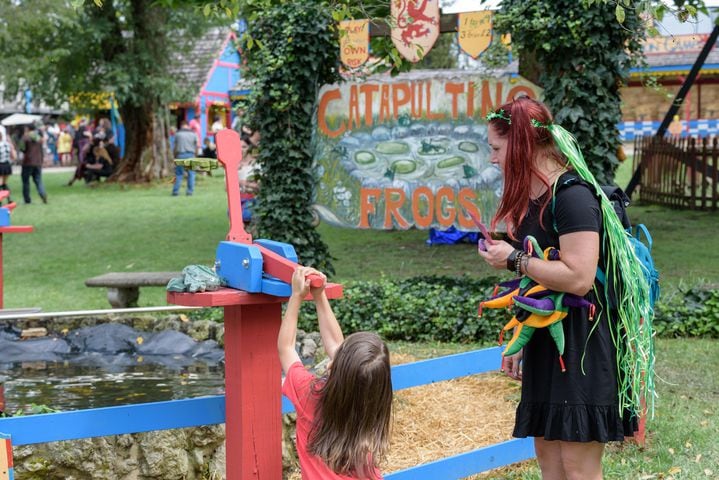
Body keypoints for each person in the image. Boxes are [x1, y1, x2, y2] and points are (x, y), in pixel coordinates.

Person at [478, 97, 652, 480]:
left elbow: (579, 276)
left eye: (496, 148)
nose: (491, 159)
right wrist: (521, 337)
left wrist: (513, 259)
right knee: (548, 457)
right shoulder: (536, 197)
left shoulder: (572, 196)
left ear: (521, 142)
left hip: (582, 345)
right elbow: (539, 281)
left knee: (577, 467)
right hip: (548, 341)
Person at [279, 267, 392, 480]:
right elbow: (341, 352)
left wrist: (296, 297)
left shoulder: (310, 395)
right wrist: (319, 295)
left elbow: (286, 348)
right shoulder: (372, 405)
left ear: (334, 366)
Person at [20, 124, 48, 204]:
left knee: (25, 181)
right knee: (38, 180)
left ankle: (27, 200)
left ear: (27, 128)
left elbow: (22, 148)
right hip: (38, 162)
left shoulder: (25, 137)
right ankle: (43, 194)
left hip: (27, 162)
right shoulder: (39, 138)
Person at [172, 120, 198, 196]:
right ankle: (189, 191)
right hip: (191, 155)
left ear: (181, 125)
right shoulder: (193, 134)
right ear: (188, 125)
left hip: (180, 155)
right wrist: (195, 156)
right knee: (191, 174)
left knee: (179, 174)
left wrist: (174, 156)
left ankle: (175, 191)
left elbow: (175, 147)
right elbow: (196, 146)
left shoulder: (178, 134)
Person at [0, 130, 16, 203]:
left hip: (0, 165)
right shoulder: (8, 144)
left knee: (0, 184)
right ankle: (9, 199)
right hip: (7, 165)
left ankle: (0, 201)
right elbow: (13, 156)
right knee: (4, 183)